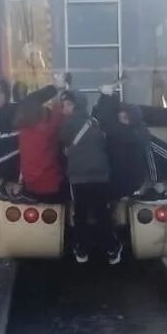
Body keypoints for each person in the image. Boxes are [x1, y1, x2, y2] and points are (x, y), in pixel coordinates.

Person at [57, 90, 120, 265]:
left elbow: (61, 143)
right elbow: (104, 144)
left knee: (81, 213)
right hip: (101, 175)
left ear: (76, 105)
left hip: (79, 177)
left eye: (68, 104)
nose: (65, 108)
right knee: (102, 212)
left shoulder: (67, 124)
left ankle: (82, 250)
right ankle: (112, 249)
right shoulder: (95, 122)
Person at [94, 87, 152, 199]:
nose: (120, 116)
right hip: (130, 182)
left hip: (121, 183)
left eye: (124, 115)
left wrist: (107, 97)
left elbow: (105, 121)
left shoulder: (125, 134)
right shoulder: (139, 132)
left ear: (130, 119)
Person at [12, 84, 65, 202]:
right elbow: (62, 115)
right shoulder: (47, 128)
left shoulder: (22, 130)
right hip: (50, 185)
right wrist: (59, 89)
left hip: (30, 184)